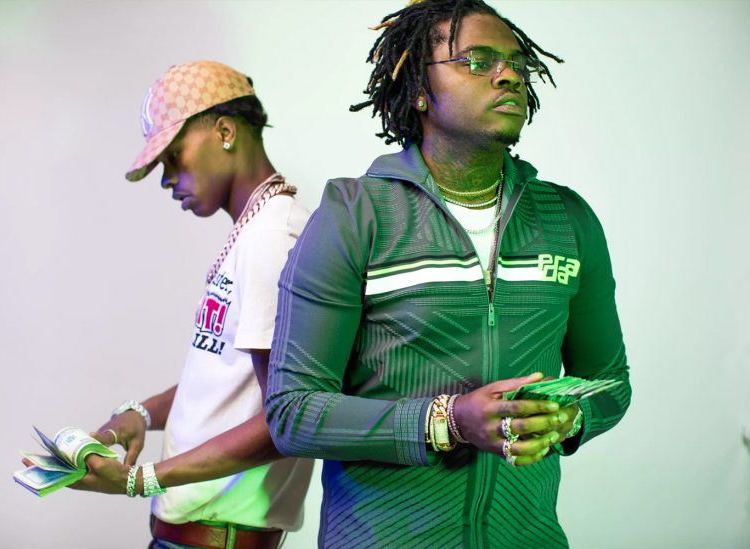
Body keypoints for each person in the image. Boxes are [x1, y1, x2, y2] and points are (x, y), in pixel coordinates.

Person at [265, 1, 631, 547]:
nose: (508, 75)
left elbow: (611, 382)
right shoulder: (356, 216)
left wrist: (568, 420)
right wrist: (449, 421)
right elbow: (293, 413)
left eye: (517, 64)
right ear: (419, 88)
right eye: (477, 61)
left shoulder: (567, 219)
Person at [72, 61, 313, 549]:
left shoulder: (272, 238)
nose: (167, 179)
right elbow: (229, 379)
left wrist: (142, 479)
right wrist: (141, 413)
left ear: (225, 131)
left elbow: (286, 421)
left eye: (174, 157)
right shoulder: (255, 232)